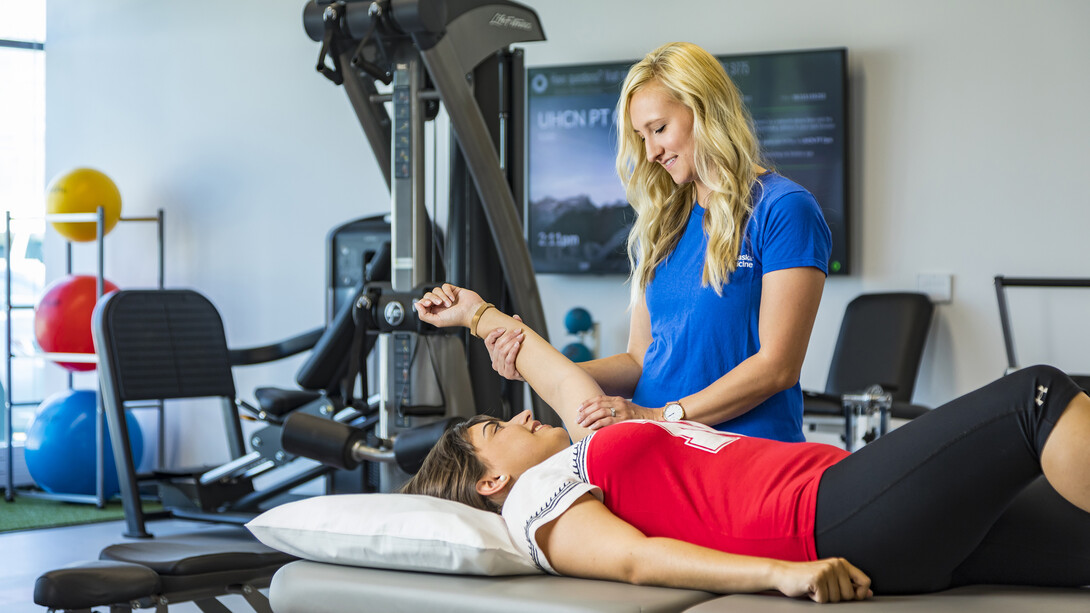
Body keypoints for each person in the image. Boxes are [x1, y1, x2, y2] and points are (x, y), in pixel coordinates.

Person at [409, 283, 1090, 603]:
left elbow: (557, 375)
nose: (523, 418)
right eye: (499, 430)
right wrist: (780, 574)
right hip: (827, 518)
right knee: (1035, 398)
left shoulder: (580, 453)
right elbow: (638, 562)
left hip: (851, 494)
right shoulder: (537, 504)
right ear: (491, 482)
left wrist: (477, 315)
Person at [487, 42, 832, 442]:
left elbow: (777, 367)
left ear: (705, 110)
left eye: (659, 129)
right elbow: (639, 360)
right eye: (641, 136)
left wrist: (659, 415)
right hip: (659, 449)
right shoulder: (664, 223)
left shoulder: (784, 208)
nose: (650, 152)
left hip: (744, 456)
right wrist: (536, 364)